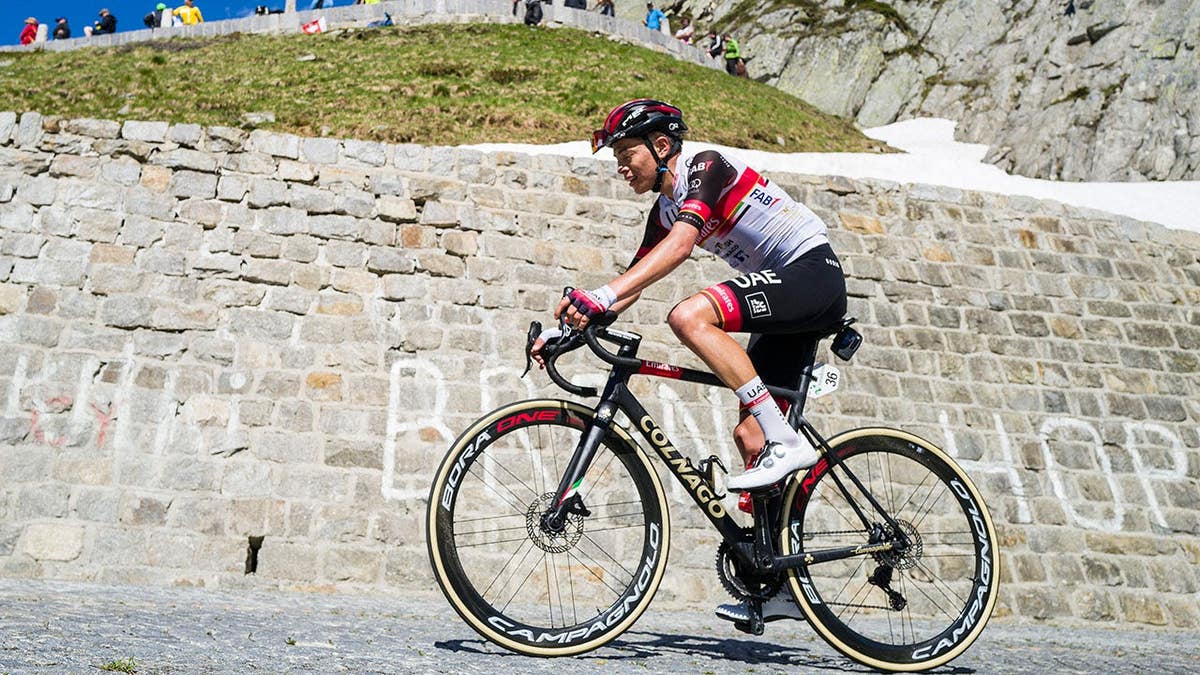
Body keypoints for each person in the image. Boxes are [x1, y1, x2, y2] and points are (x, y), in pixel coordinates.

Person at [533, 98, 846, 624]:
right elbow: (636, 277)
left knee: (689, 317)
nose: (620, 166)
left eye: (626, 152)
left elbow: (680, 247)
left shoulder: (705, 165)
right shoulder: (663, 208)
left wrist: (603, 296)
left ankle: (789, 443)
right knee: (751, 437)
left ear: (661, 146)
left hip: (811, 274)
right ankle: (781, 586)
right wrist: (574, 323)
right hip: (782, 300)